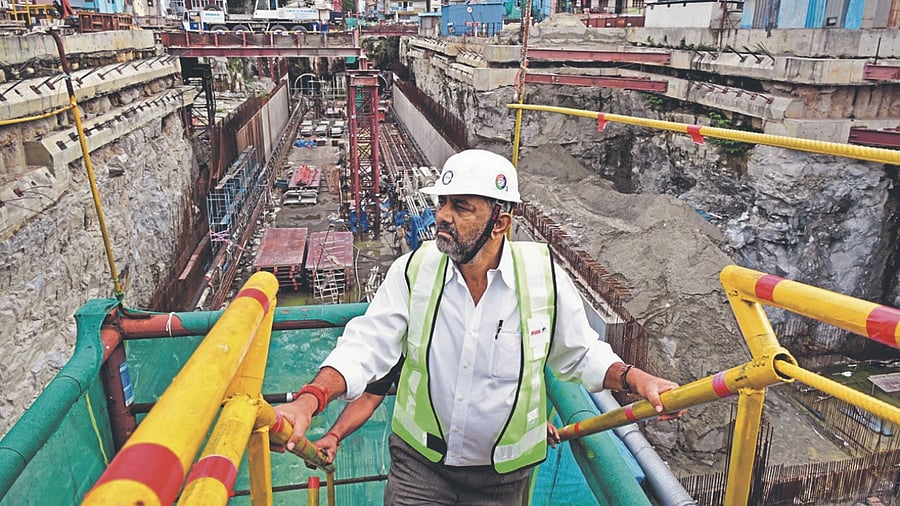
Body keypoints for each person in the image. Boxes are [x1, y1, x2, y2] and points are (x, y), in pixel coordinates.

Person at [276, 149, 682, 505]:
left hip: (501, 481)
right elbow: (365, 345)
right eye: (442, 203)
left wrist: (637, 379)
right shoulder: (414, 272)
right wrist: (309, 400)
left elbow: (579, 353)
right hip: (421, 467)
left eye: (461, 206)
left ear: (500, 222)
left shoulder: (544, 281)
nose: (442, 216)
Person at [313, 359, 562, 465]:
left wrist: (528, 426)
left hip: (488, 468)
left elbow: (507, 385)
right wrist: (334, 435)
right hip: (420, 462)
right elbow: (369, 396)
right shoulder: (410, 326)